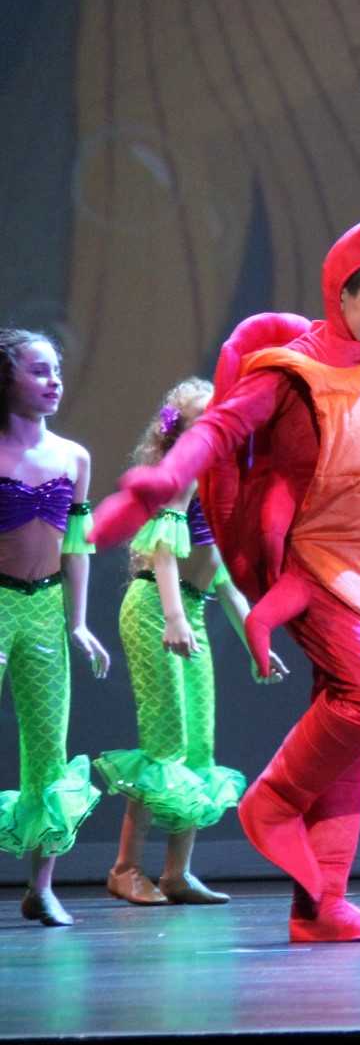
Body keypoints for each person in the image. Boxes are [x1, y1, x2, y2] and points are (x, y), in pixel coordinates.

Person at [92, 208, 360, 942]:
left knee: (354, 755)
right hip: (313, 571)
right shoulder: (291, 372)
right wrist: (166, 480)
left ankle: (320, 909)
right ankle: (271, 803)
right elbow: (220, 427)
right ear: (342, 294)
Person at [95, 378, 289, 907]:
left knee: (199, 743)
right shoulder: (183, 475)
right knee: (166, 742)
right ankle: (124, 868)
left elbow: (224, 580)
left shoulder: (227, 480)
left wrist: (256, 640)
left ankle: (177, 873)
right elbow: (162, 549)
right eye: (205, 416)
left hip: (193, 611)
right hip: (157, 610)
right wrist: (174, 618)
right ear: (179, 431)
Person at [0, 328, 110, 926]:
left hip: (44, 609)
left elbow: (77, 545)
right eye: (38, 371)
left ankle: (41, 888)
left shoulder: (74, 457)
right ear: (6, 378)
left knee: (48, 749)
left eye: (56, 370)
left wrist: (79, 621)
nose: (53, 382)